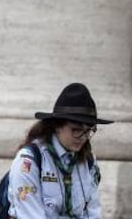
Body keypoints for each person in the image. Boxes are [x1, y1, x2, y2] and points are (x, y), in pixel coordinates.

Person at [7, 83, 113, 219]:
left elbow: (92, 211)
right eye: (76, 130)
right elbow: (30, 215)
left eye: (88, 131)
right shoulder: (29, 161)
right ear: (57, 126)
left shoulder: (88, 162)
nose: (83, 137)